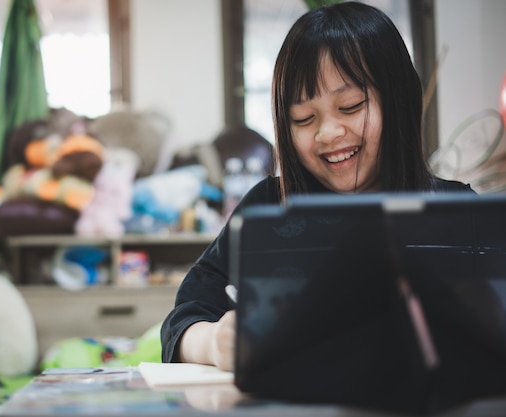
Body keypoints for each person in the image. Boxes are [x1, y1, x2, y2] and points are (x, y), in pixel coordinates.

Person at [160, 2, 473, 371]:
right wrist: (214, 343)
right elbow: (182, 321)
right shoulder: (269, 209)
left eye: (351, 106)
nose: (328, 133)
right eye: (304, 118)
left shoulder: (456, 210)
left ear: (399, 100)